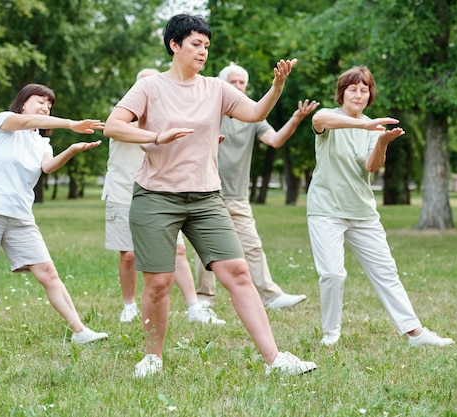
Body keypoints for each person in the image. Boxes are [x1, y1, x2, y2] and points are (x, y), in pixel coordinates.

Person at [103, 13, 317, 377]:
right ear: (174, 45)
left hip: (205, 198)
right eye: (195, 44)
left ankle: (275, 359)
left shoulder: (215, 89)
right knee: (158, 283)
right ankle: (152, 358)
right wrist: (156, 137)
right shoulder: (151, 87)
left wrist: (277, 87)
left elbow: (252, 113)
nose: (203, 52)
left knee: (238, 272)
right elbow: (113, 126)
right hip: (157, 196)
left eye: (206, 46)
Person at [308, 66, 454, 347]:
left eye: (365, 90)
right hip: (326, 209)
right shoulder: (330, 118)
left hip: (362, 211)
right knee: (332, 273)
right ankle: (331, 333)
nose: (359, 94)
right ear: (342, 92)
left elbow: (371, 166)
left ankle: (414, 332)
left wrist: (382, 141)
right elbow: (318, 118)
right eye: (353, 89)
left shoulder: (374, 128)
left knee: (386, 272)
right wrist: (364, 124)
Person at [0, 83, 109, 345]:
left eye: (49, 104)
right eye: (40, 101)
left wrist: (72, 149)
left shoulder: (42, 143)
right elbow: (28, 120)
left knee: (48, 273)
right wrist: (71, 123)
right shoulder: (4, 122)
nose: (45, 107)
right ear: (23, 101)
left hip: (20, 215)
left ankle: (79, 331)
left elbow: (47, 167)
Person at [102, 68, 225, 325]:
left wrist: (204, 140)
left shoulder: (166, 115)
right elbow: (126, 129)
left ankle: (194, 307)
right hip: (123, 190)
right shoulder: (124, 117)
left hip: (162, 191)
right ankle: (129, 305)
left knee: (178, 251)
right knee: (129, 254)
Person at [195, 63, 319, 310]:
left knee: (252, 246)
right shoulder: (211, 110)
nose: (239, 86)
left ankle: (271, 296)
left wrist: (296, 118)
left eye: (242, 82)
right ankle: (203, 299)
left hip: (238, 195)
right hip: (207, 191)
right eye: (233, 82)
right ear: (223, 85)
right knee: (206, 248)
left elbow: (274, 140)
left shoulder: (252, 116)